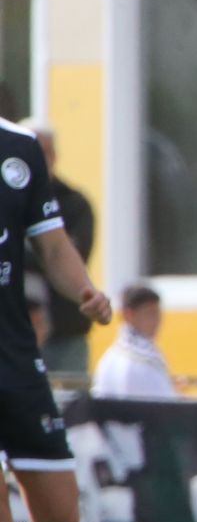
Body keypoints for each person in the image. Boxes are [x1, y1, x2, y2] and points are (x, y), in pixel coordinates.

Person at [0, 116, 114, 522]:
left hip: (15, 355)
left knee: (60, 518)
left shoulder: (18, 149)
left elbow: (52, 243)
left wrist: (86, 291)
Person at [21, 119, 94, 381]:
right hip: (17, 329)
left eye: (47, 151)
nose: (42, 159)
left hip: (66, 328)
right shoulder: (9, 198)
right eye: (34, 151)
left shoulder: (74, 203)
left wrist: (34, 252)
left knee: (72, 406)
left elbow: (70, 254)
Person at [92, 284, 183, 398]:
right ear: (129, 315)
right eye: (150, 314)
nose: (157, 322)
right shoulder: (137, 361)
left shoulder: (112, 356)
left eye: (158, 314)